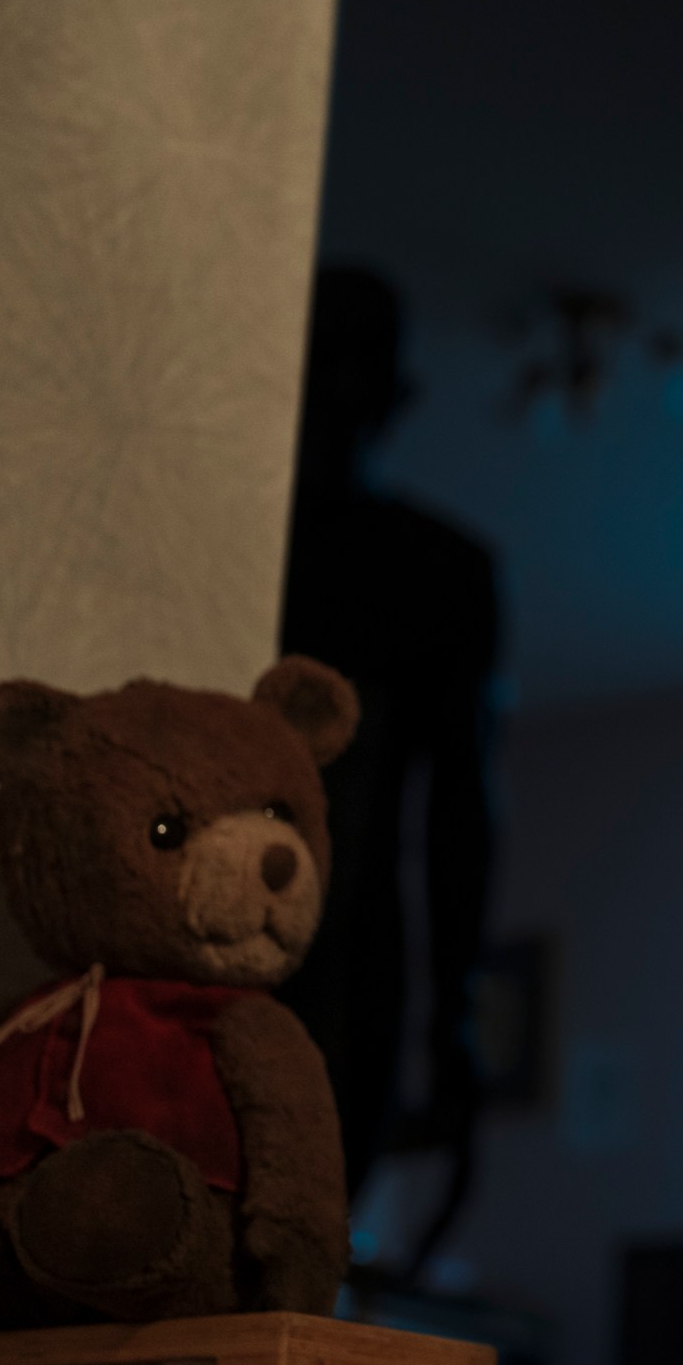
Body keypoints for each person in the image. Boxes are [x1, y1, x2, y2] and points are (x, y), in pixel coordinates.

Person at [275, 266, 502, 1270]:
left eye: (351, 370)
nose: (332, 400)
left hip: (358, 955)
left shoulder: (439, 571)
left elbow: (460, 806)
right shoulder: (217, 544)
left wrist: (453, 1022)